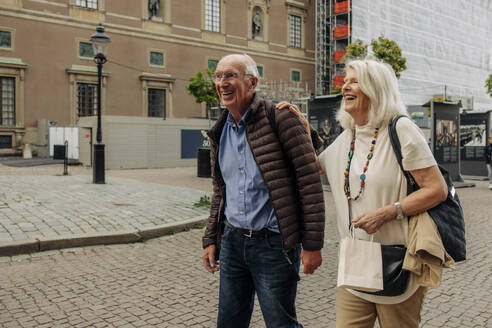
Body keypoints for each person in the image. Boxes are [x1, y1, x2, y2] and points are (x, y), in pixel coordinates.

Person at [281, 59, 448, 328]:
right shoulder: (348, 136)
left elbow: (436, 189)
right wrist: (299, 125)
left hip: (398, 262)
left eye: (354, 81)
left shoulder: (402, 130)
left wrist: (388, 212)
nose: (346, 85)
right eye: (346, 81)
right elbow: (313, 166)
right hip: (355, 263)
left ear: (375, 88)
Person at [201, 54, 325, 328]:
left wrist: (312, 245)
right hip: (233, 243)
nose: (223, 82)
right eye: (219, 76)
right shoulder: (219, 131)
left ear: (253, 82)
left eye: (231, 75)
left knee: (281, 323)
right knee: (229, 323)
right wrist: (211, 238)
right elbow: (220, 191)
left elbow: (309, 184)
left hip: (273, 245)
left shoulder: (280, 117)